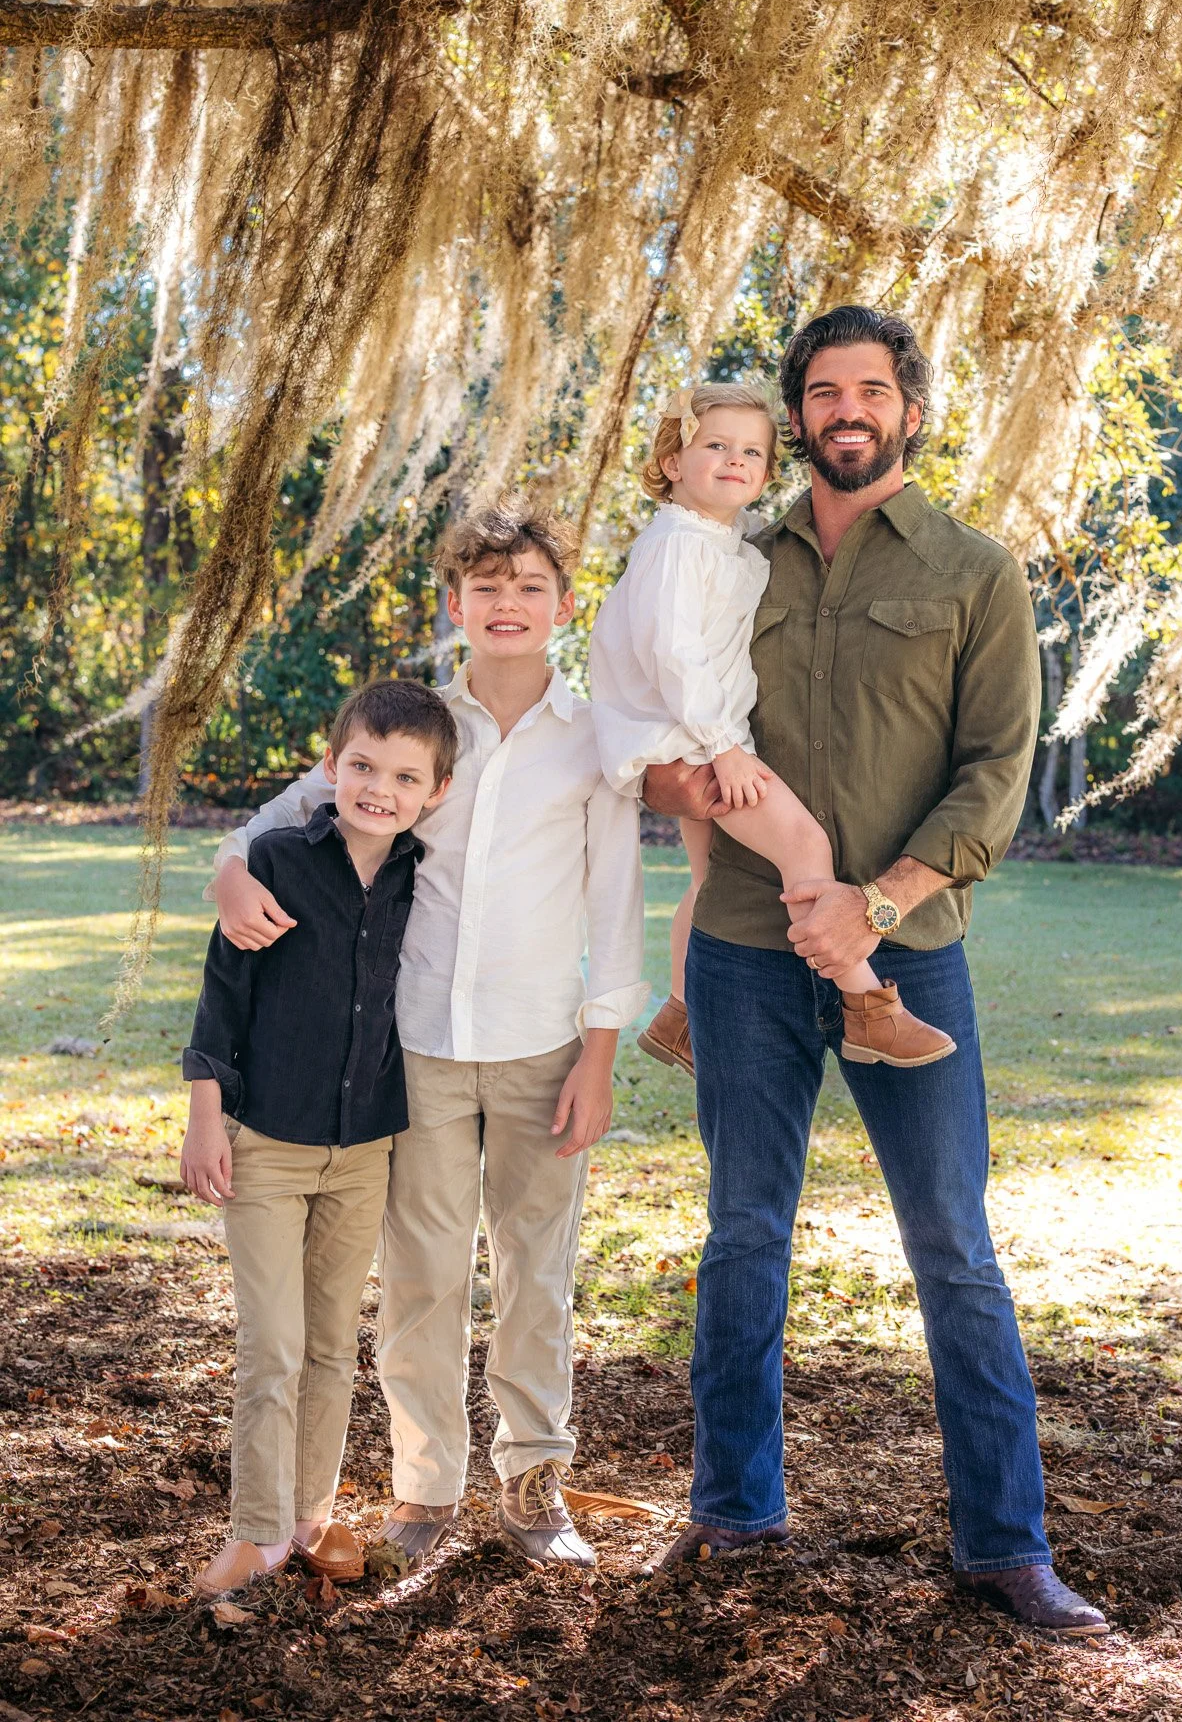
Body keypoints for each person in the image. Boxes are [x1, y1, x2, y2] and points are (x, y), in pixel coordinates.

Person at [642, 306, 1108, 1638]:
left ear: (910, 406)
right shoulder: (727, 561)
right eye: (822, 390)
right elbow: (664, 724)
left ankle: (1004, 1545)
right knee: (742, 1234)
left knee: (952, 1247)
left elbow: (992, 773)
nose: (847, 409)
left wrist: (876, 906)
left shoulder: (975, 571)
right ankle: (730, 1517)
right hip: (740, 949)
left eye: (872, 388)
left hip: (909, 964)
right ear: (796, 414)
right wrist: (690, 790)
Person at [208, 499, 648, 1571]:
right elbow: (277, 817)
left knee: (537, 1267)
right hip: (419, 1049)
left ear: (563, 605)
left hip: (544, 1041)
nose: (507, 604)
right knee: (423, 1271)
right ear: (455, 604)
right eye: (486, 587)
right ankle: (425, 1486)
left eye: (529, 587)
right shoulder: (417, 727)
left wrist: (600, 1048)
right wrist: (228, 867)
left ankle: (536, 1481)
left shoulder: (597, 738)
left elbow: (614, 900)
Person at [180, 677, 457, 1600]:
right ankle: (254, 1533)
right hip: (265, 1145)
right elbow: (223, 997)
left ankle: (306, 1514)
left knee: (334, 1345)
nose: (380, 789)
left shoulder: (426, 880)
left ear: (435, 794)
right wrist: (205, 1120)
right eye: (364, 767)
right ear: (331, 766)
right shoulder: (276, 860)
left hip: (365, 1148)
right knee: (274, 1348)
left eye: (405, 777)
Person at [590, 378, 953, 1075]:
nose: (736, 461)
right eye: (716, 446)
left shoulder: (729, 540)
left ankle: (680, 1017)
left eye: (752, 453)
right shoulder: (676, 546)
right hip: (693, 740)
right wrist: (724, 747)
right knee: (804, 844)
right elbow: (672, 652)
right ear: (673, 462)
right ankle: (867, 1007)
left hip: (695, 735)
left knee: (708, 880)